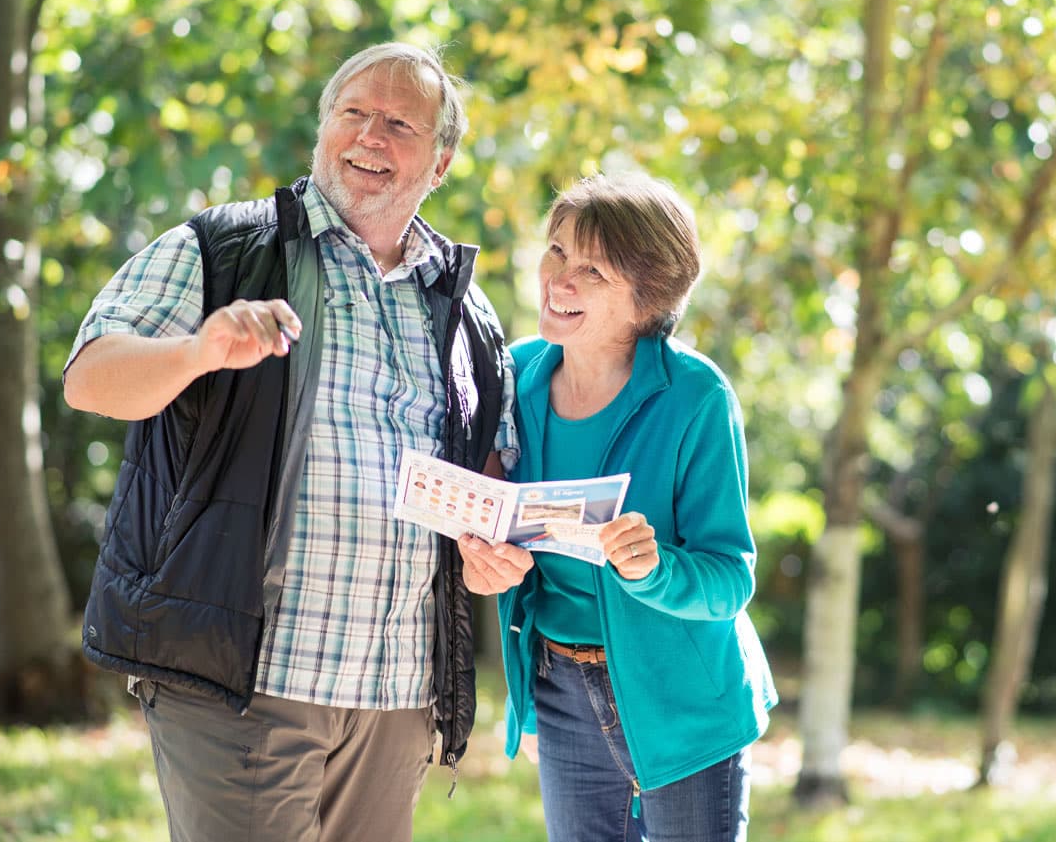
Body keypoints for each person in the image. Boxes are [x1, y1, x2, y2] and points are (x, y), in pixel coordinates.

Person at [64, 42, 534, 842]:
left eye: (398, 123)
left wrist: (493, 551)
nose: (369, 137)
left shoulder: (466, 313)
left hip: (395, 692)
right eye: (352, 113)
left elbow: (488, 484)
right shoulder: (221, 249)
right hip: (244, 675)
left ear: (442, 160)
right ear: (322, 129)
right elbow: (90, 378)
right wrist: (199, 350)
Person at [458, 172, 777, 842]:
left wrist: (655, 567)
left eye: (593, 270)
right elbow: (495, 522)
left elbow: (730, 579)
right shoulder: (513, 378)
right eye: (556, 252)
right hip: (561, 690)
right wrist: (485, 562)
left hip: (684, 700)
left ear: (647, 298)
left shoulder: (698, 398)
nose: (560, 279)